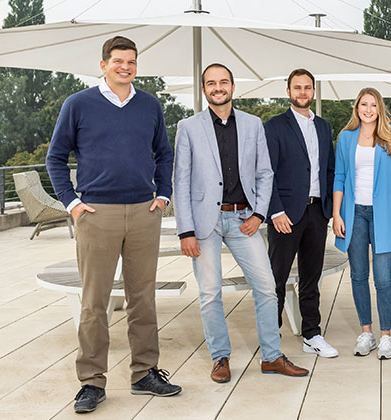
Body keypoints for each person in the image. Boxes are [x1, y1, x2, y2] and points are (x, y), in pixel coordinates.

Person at [45, 36, 180, 414]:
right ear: (103, 64)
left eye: (132, 61)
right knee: (94, 302)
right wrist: (72, 203)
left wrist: (163, 195)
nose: (126, 67)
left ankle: (144, 373)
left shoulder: (150, 105)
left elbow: (164, 154)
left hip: (143, 212)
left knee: (143, 298)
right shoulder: (78, 104)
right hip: (96, 213)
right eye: (118, 61)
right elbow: (55, 157)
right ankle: (91, 381)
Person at [174, 63, 309, 383]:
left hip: (243, 219)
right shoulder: (188, 127)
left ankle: (272, 356)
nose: (218, 87)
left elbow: (264, 173)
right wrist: (186, 231)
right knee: (210, 293)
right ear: (204, 89)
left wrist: (259, 214)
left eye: (224, 82)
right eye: (211, 83)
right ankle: (220, 357)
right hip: (204, 223)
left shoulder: (252, 124)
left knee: (266, 287)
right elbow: (180, 181)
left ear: (233, 87)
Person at [332, 87, 391, 360]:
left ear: (380, 109)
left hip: (385, 214)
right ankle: (366, 332)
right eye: (363, 105)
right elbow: (339, 176)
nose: (368, 110)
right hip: (354, 213)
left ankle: (386, 336)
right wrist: (337, 214)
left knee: (383, 278)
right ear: (356, 108)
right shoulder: (346, 137)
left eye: (373, 105)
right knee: (358, 275)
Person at [264, 68, 338, 358]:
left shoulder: (323, 127)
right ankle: (271, 340)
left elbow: (329, 169)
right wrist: (275, 211)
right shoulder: (274, 126)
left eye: (307, 87)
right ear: (288, 92)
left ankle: (312, 335)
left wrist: (328, 209)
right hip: (285, 215)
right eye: (297, 87)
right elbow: (265, 172)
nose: (303, 92)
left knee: (311, 279)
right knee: (276, 279)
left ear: (313, 92)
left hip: (316, 213)